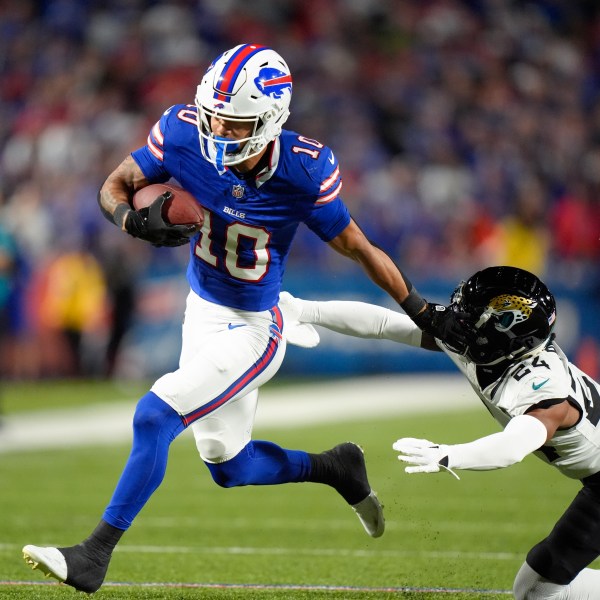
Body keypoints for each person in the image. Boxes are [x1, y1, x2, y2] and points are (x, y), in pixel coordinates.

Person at [22, 44, 469, 593]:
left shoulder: (303, 170)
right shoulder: (183, 134)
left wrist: (420, 307)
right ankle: (336, 468)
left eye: (232, 125)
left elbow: (357, 246)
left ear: (270, 120)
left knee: (154, 416)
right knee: (228, 467)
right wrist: (129, 222)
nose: (217, 133)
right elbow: (114, 185)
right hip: (201, 309)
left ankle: (93, 555)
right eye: (212, 117)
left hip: (255, 326)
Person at [279, 265, 600, 599]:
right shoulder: (492, 345)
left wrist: (451, 455)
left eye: (470, 315)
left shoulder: (544, 388)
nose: (459, 319)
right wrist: (305, 309)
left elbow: (515, 444)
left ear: (504, 329)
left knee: (536, 591)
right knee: (534, 591)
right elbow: (386, 324)